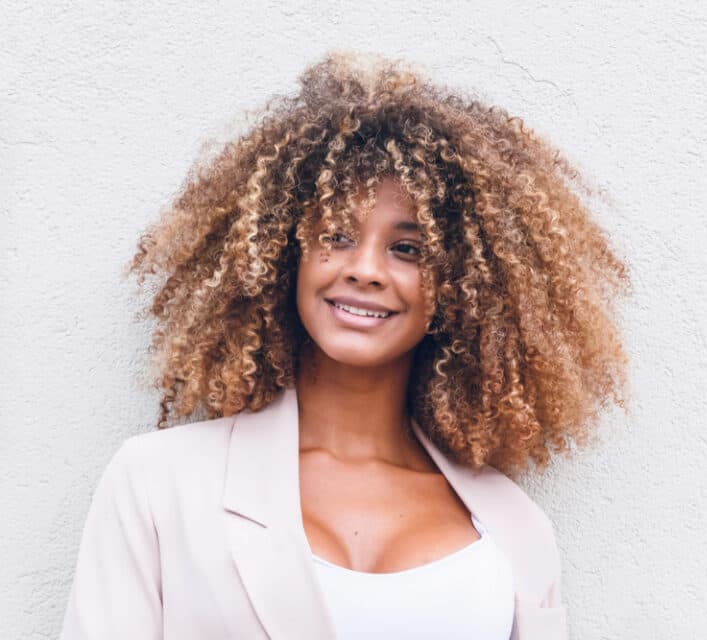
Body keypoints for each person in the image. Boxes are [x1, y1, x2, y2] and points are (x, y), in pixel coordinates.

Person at [59, 51, 632, 639]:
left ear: (463, 285)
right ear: (285, 252)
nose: (365, 270)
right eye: (336, 235)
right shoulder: (160, 484)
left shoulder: (514, 528)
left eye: (408, 249)